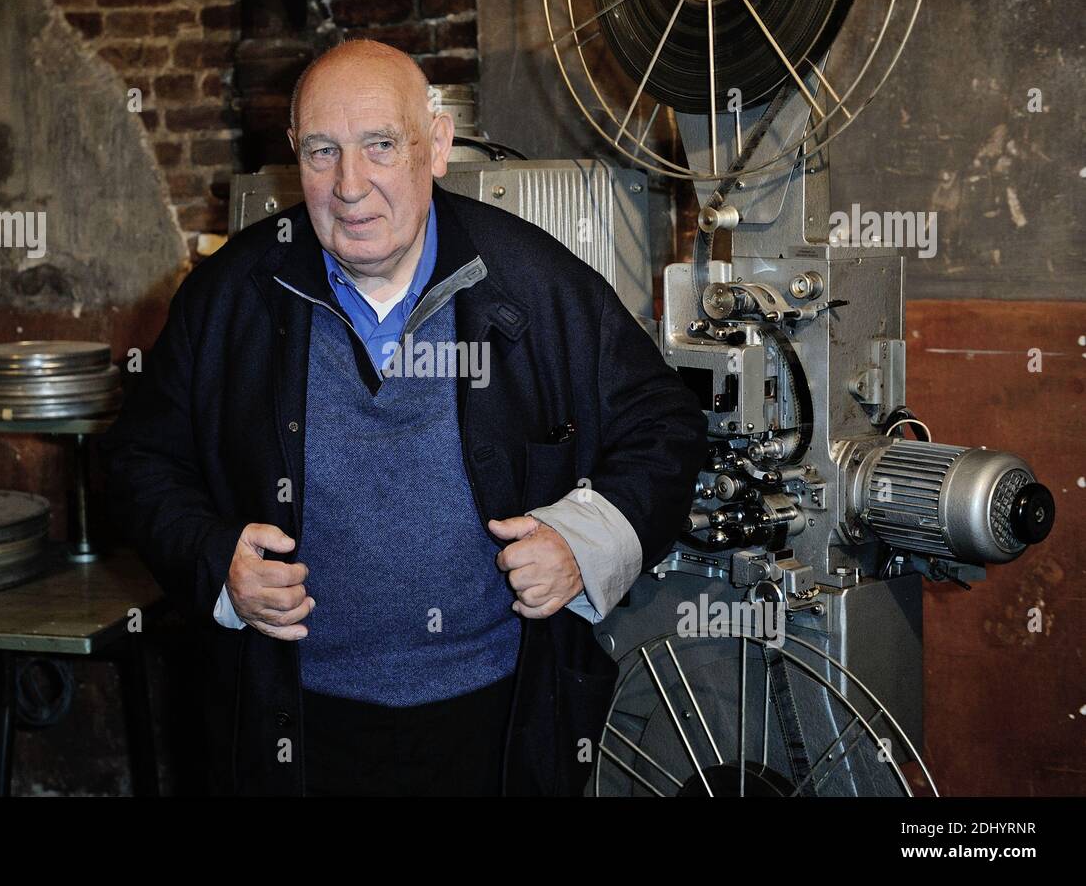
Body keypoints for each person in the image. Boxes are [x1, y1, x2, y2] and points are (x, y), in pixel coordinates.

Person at [99, 39, 707, 796]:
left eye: (380, 146)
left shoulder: (535, 282)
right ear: (294, 153)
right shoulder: (227, 297)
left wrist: (584, 543)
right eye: (323, 152)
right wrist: (214, 557)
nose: (350, 186)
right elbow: (138, 460)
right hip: (288, 722)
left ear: (438, 145)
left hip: (496, 717)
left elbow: (667, 426)